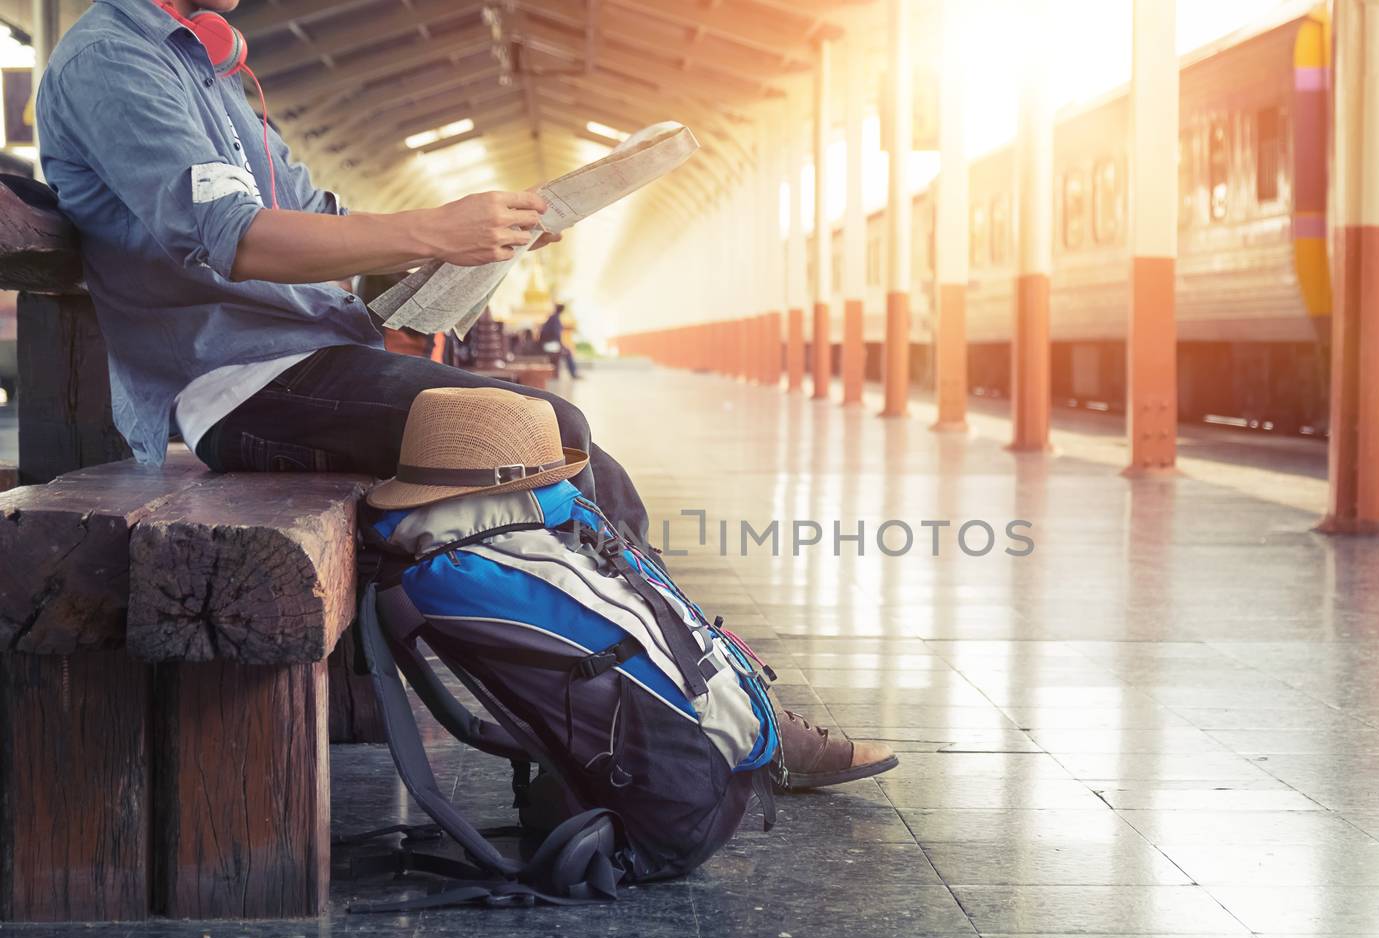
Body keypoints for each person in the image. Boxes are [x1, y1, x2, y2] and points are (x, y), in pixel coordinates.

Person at [35, 0, 894, 788]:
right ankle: (700, 718)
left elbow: (320, 217)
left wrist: (478, 239)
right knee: (549, 437)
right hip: (240, 384)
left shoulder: (216, 75)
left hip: (314, 358)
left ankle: (680, 706)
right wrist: (429, 228)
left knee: (565, 456)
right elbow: (236, 239)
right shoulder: (114, 61)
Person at [539, 301, 580, 380]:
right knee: (567, 352)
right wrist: (562, 346)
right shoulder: (555, 319)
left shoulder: (553, 318)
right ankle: (573, 373)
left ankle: (573, 372)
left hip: (548, 344)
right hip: (549, 345)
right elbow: (556, 334)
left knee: (567, 351)